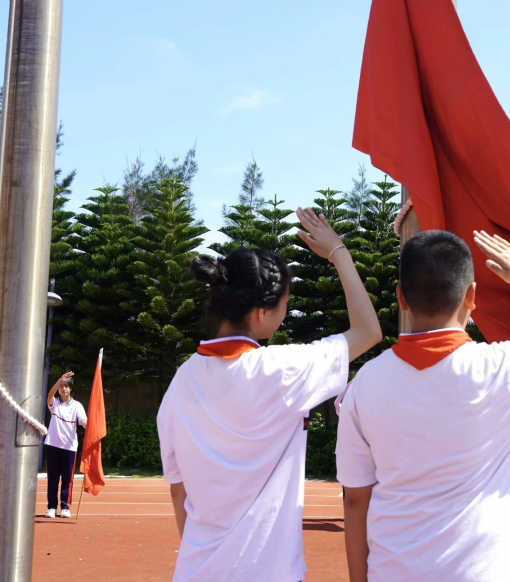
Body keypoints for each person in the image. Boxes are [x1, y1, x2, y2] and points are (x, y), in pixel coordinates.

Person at [335, 230, 510, 582]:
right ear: (471, 296)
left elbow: (355, 501)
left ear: (401, 298)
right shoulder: (505, 367)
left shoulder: (364, 383)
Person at [156, 208, 382, 582]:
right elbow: (367, 330)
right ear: (261, 312)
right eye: (283, 303)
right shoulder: (282, 370)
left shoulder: (180, 383)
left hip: (197, 571)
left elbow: (179, 494)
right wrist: (338, 252)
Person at [43, 371, 87, 519]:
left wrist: (92, 428)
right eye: (61, 386)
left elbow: (83, 421)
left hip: (69, 448)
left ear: (71, 389)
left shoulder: (77, 406)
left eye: (66, 386)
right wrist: (59, 379)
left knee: (67, 479)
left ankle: (65, 507)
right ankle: (51, 508)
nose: (63, 389)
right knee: (53, 478)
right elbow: (49, 396)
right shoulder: (54, 404)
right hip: (53, 446)